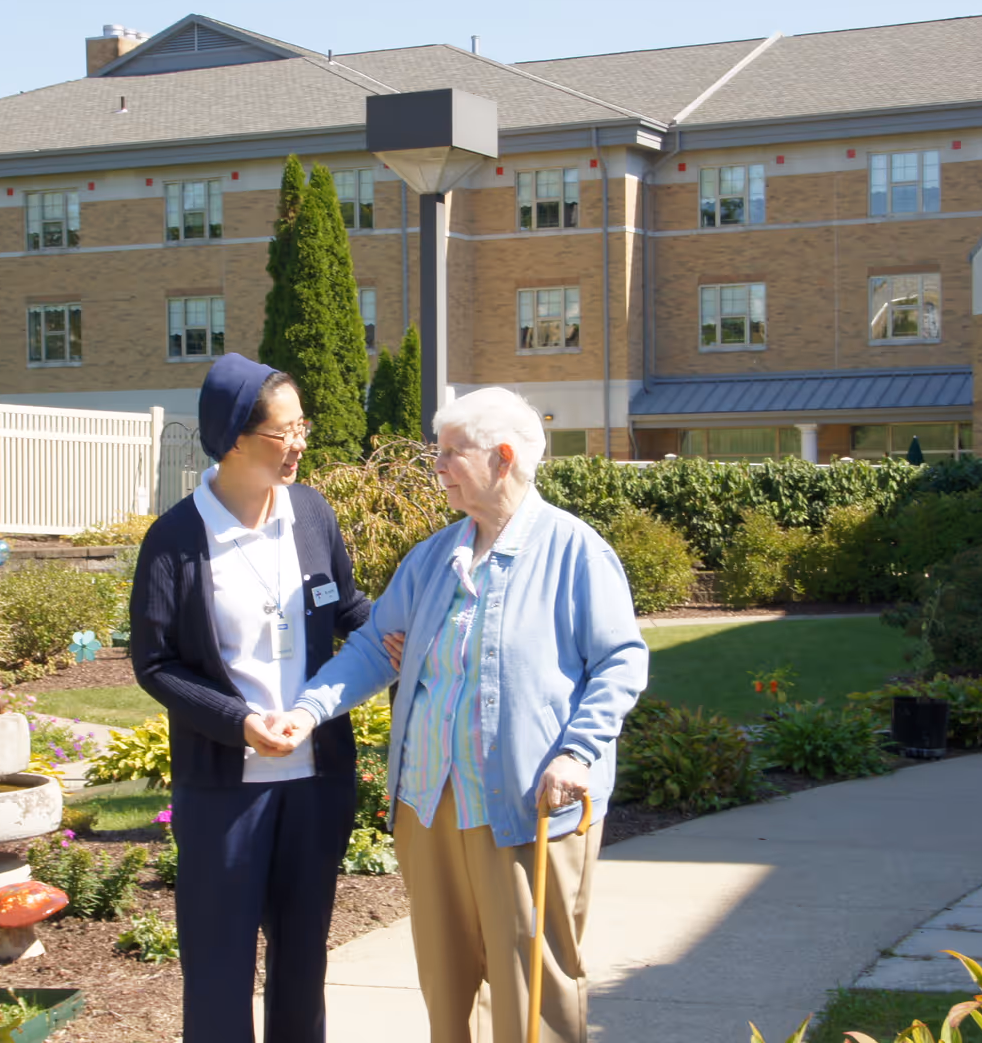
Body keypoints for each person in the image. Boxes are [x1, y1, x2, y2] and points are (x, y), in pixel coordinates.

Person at [269, 386, 648, 1043]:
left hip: (526, 804)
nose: (436, 466)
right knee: (447, 986)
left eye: (449, 453)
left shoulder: (574, 551)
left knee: (534, 991)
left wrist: (578, 751)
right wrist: (307, 711)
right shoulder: (434, 559)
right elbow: (370, 648)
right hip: (430, 804)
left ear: (502, 459)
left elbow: (620, 662)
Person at [128, 352, 375, 1043]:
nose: (300, 442)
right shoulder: (176, 540)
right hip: (224, 792)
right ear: (234, 436)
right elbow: (155, 665)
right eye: (284, 430)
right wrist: (238, 724)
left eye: (303, 427)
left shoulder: (311, 514)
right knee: (219, 967)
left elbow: (348, 607)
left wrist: (404, 631)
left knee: (303, 963)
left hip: (316, 781)